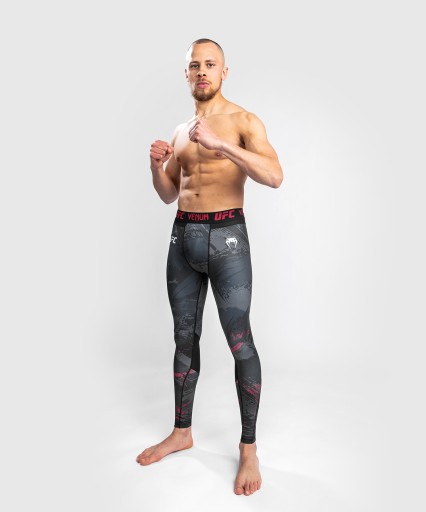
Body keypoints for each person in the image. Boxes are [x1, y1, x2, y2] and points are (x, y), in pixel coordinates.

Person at [136, 38, 283, 496]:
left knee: (240, 342)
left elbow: (274, 176)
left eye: (210, 64)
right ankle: (182, 432)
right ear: (186, 75)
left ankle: (248, 448)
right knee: (184, 338)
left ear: (224, 72)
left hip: (227, 239)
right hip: (183, 237)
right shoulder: (181, 130)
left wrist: (222, 146)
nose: (202, 71)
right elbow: (169, 194)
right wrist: (157, 166)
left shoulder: (243, 121)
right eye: (194, 65)